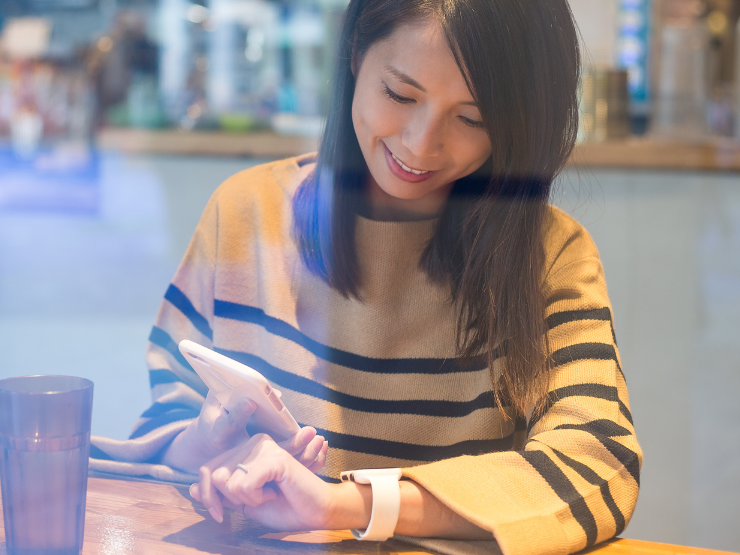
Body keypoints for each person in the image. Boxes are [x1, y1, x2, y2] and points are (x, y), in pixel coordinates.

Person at [91, 0, 642, 553]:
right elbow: (164, 424)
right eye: (400, 95)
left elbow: (600, 464)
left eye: (472, 119)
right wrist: (206, 445)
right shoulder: (245, 214)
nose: (420, 143)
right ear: (355, 53)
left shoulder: (546, 255)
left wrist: (346, 504)